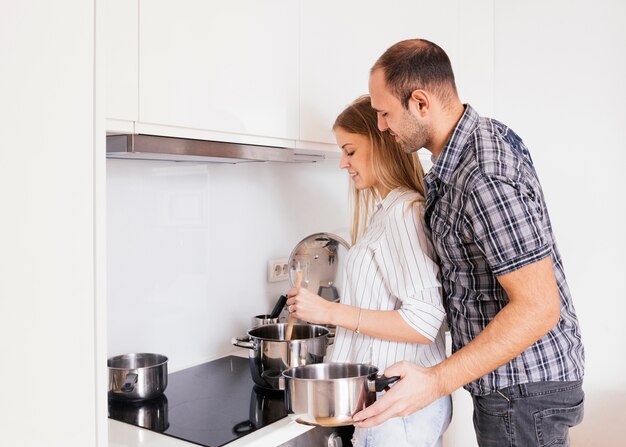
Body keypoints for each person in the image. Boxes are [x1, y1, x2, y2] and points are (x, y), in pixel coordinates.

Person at [353, 38, 585, 446]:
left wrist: (434, 382)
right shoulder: (470, 150)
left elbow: (538, 307)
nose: (382, 126)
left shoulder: (482, 173)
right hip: (514, 388)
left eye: (385, 113)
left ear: (420, 103)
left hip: (523, 390)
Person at [286, 95, 452, 447]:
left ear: (379, 145)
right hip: (391, 409)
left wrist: (329, 311)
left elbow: (424, 321)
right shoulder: (388, 211)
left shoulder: (403, 213)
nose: (343, 164)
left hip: (397, 412)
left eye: (350, 151)